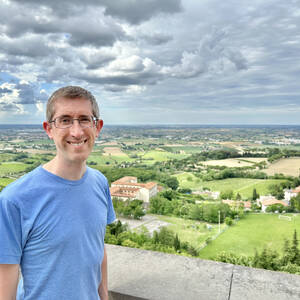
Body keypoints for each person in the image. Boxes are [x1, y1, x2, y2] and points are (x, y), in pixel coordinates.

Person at [0, 86, 116, 300]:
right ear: (48, 129)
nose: (76, 131)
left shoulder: (100, 183)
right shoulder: (14, 199)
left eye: (84, 119)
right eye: (65, 120)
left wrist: (104, 296)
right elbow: (5, 281)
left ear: (97, 127)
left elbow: (98, 250)